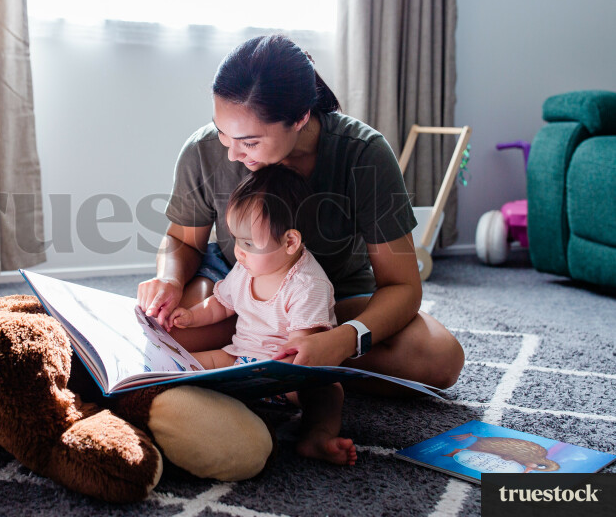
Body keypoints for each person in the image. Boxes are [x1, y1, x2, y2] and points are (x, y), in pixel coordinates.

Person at [137, 34, 464, 393]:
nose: (232, 154)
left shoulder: (364, 154)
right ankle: (286, 365)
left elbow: (402, 285)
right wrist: (169, 278)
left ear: (300, 118)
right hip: (239, 293)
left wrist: (342, 340)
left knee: (439, 357)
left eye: (250, 142)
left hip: (332, 303)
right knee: (165, 333)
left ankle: (274, 361)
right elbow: (182, 241)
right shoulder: (202, 152)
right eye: (222, 133)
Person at [160, 164, 356, 465]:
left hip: (285, 374)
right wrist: (191, 316)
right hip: (238, 356)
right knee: (184, 365)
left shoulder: (308, 285)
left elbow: (302, 349)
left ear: (290, 242)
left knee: (327, 392)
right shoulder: (246, 267)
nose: (239, 252)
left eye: (249, 243)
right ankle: (167, 401)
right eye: (236, 239)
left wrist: (271, 374)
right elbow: (221, 304)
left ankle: (317, 436)